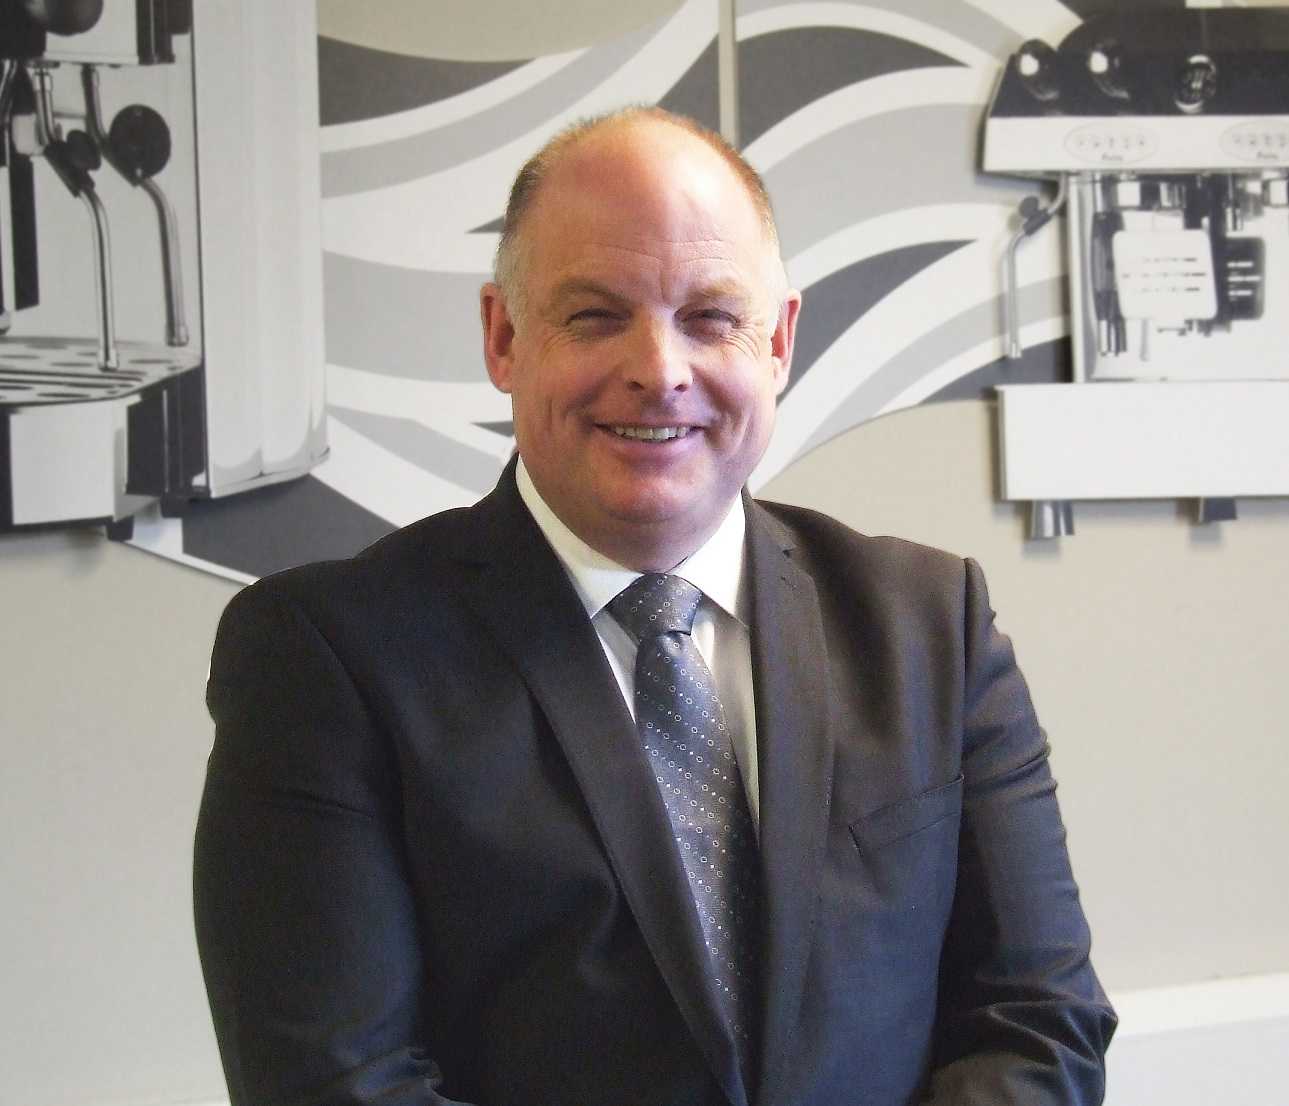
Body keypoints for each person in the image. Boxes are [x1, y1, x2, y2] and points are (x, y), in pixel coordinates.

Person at [194, 107, 1115, 1106]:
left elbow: (1036, 1020)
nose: (658, 369)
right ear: (503, 336)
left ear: (777, 341)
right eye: (595, 314)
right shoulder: (326, 658)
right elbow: (337, 1085)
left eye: (710, 317)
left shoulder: (932, 624)